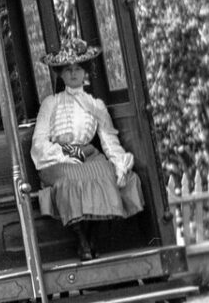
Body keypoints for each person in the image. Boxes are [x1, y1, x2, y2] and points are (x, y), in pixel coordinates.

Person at [29, 37, 145, 261]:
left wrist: (120, 163)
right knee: (72, 179)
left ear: (85, 73)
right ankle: (81, 239)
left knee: (108, 175)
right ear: (61, 74)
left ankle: (92, 238)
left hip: (88, 154)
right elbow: (40, 140)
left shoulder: (96, 105)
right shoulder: (51, 103)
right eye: (68, 69)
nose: (73, 74)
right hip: (58, 158)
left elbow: (109, 138)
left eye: (78, 69)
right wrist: (61, 155)